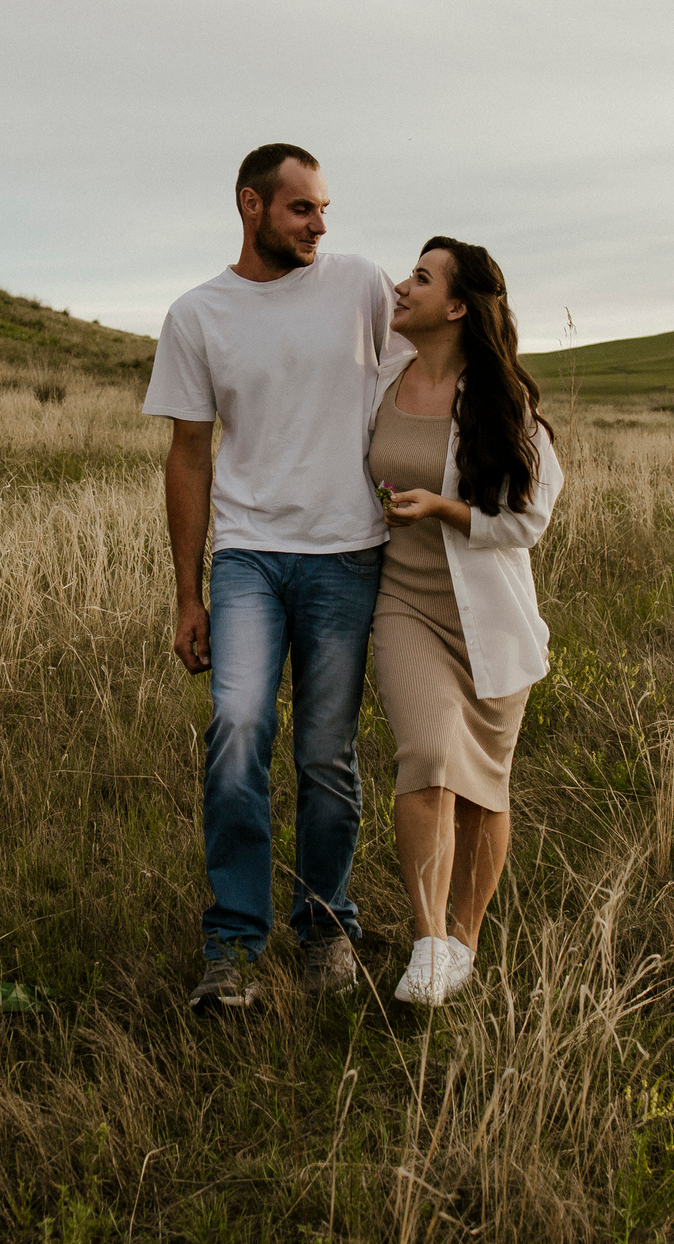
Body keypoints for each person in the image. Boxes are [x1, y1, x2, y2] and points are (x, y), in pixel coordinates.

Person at [143, 143, 394, 1013]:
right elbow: (187, 456)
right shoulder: (198, 314)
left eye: (325, 209)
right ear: (252, 205)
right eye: (302, 210)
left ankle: (325, 925)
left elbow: (433, 366)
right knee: (238, 727)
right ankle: (233, 945)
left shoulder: (362, 284)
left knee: (327, 753)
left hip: (348, 553)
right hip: (246, 555)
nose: (320, 224)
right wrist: (188, 593)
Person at [367, 237, 560, 1006]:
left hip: (489, 618)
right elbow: (358, 284)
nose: (403, 285)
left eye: (422, 276)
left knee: (484, 789)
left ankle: (465, 941)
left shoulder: (499, 399)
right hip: (402, 601)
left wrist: (450, 509)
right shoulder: (385, 371)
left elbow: (530, 518)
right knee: (427, 757)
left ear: (456, 306)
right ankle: (426, 940)